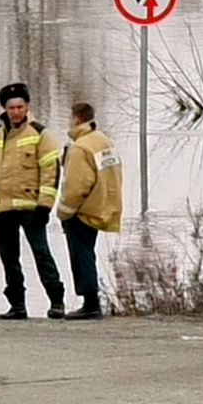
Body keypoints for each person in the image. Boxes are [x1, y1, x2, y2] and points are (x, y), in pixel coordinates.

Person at [0, 82, 66, 319]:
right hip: (1, 206)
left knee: (41, 254)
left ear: (27, 106)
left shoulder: (39, 134)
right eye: (11, 107)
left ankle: (57, 300)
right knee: (9, 258)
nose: (16, 111)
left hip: (31, 207)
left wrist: (45, 205)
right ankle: (17, 304)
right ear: (5, 108)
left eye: (20, 107)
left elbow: (51, 171)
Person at [56, 101, 122, 319]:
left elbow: (75, 186)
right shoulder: (104, 141)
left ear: (76, 118)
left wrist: (64, 212)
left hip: (83, 210)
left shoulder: (80, 148)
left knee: (81, 254)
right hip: (102, 205)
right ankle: (92, 301)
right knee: (88, 253)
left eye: (69, 117)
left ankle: (90, 303)